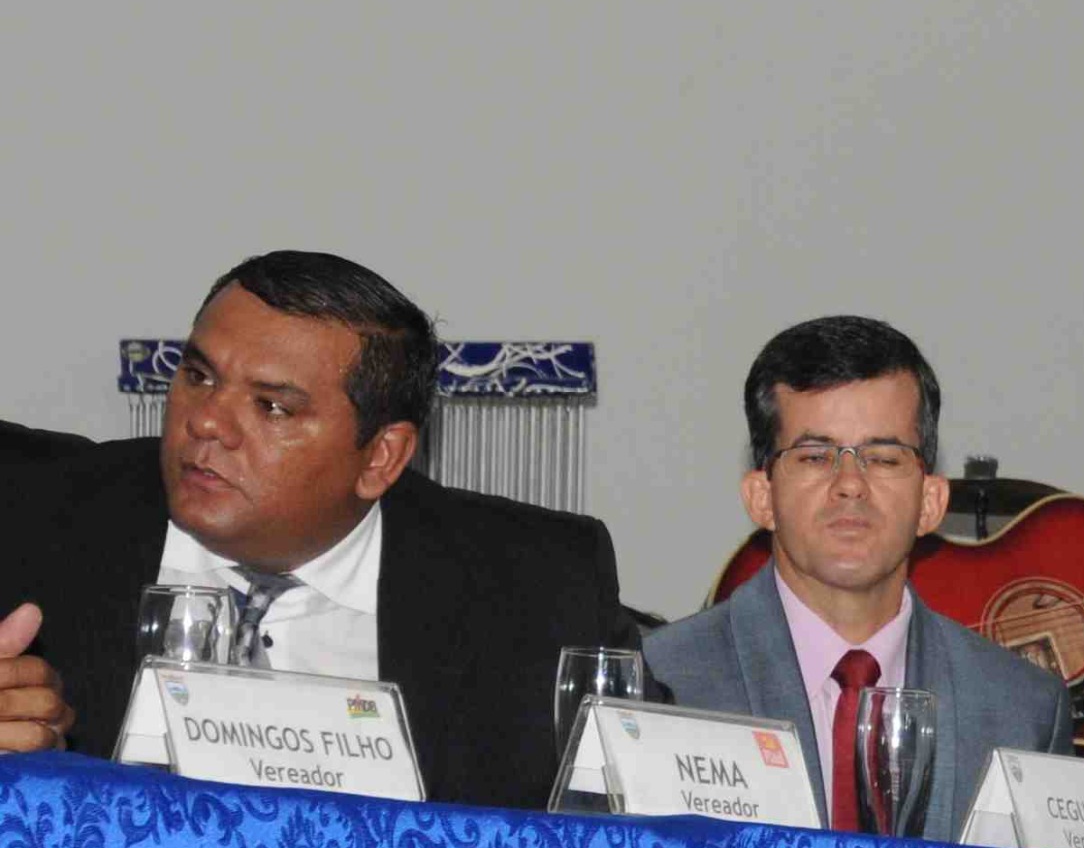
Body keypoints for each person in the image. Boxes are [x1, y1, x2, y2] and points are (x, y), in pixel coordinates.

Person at [0, 253, 623, 805]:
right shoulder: (26, 507)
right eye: (199, 376)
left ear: (381, 458)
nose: (208, 422)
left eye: (272, 406)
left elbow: (641, 826)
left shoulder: (540, 587)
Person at [643, 316, 1068, 838]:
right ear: (761, 497)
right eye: (815, 456)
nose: (850, 484)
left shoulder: (1023, 710)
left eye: (883, 458)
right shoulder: (663, 684)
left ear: (931, 502)